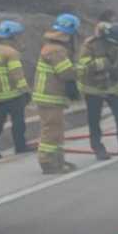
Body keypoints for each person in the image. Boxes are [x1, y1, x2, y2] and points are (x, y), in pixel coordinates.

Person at [78, 21, 118, 159]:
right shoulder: (90, 45)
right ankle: (98, 149)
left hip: (112, 87)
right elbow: (83, 67)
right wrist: (104, 65)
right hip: (93, 88)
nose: (115, 46)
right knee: (94, 120)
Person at [33, 15, 81, 175]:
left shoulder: (54, 48)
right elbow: (66, 73)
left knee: (56, 130)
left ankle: (57, 160)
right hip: (49, 96)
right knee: (51, 130)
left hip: (51, 96)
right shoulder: (56, 50)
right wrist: (82, 69)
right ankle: (47, 162)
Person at [0, 19, 34, 159]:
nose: (21, 38)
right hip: (13, 94)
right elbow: (17, 74)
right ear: (13, 36)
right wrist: (26, 91)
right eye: (19, 35)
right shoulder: (11, 53)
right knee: (18, 122)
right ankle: (20, 146)